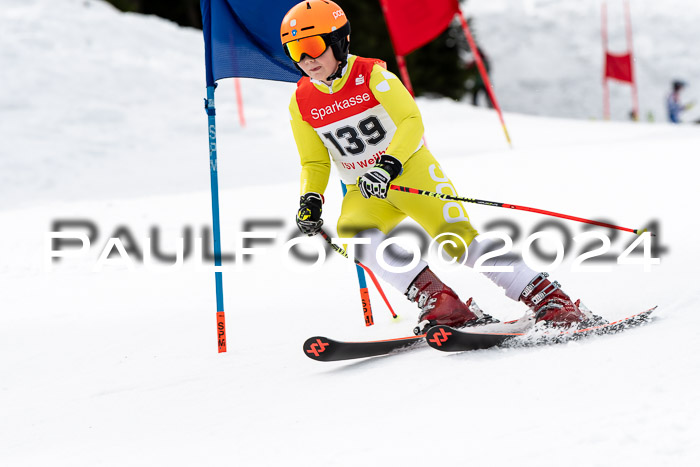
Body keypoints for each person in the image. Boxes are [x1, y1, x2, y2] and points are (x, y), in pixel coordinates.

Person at [280, 0, 598, 333]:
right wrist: (310, 199)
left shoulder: (371, 74)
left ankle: (550, 298)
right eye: (294, 51)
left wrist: (388, 165)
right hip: (366, 188)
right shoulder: (301, 100)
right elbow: (313, 160)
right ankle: (441, 302)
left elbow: (411, 120)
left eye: (312, 46)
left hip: (409, 172)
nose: (306, 59)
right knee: (358, 238)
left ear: (339, 40)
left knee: (457, 241)